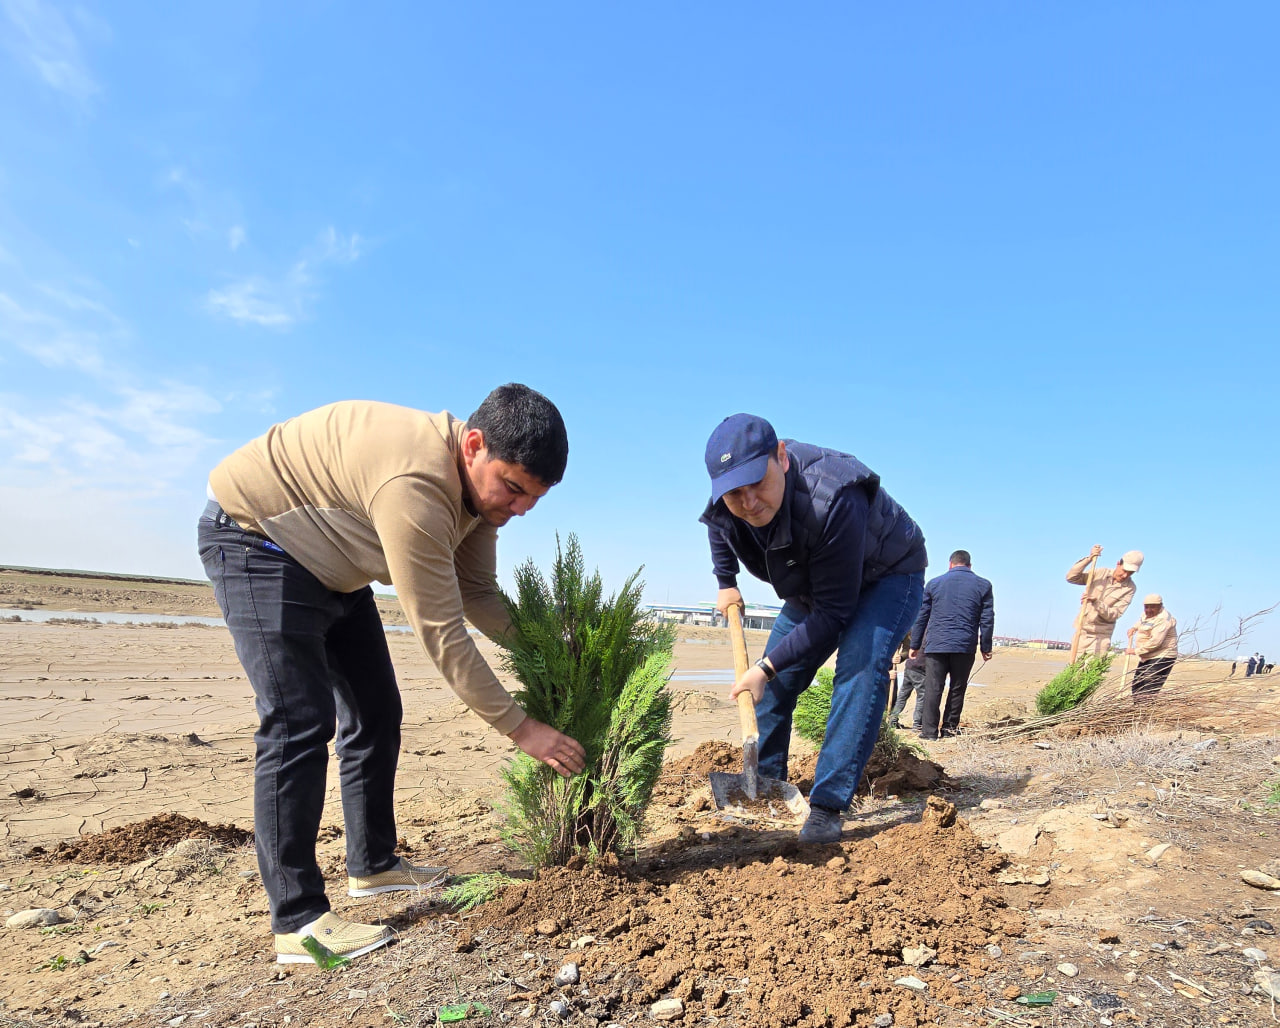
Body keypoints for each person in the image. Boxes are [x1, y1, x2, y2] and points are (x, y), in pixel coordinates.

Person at [198, 386, 586, 964]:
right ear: (474, 445)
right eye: (514, 487)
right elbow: (442, 630)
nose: (522, 507)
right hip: (258, 542)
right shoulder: (416, 485)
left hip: (335, 564)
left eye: (535, 496)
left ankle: (374, 865)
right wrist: (522, 728)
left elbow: (477, 593)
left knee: (376, 711)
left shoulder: (479, 498)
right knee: (298, 721)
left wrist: (551, 647)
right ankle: (299, 924)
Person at [699, 414, 927, 845]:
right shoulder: (730, 496)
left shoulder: (834, 496)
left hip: (887, 574)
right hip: (816, 582)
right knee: (775, 681)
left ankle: (827, 806)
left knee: (859, 668)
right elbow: (718, 524)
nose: (749, 502)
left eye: (757, 484)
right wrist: (726, 582)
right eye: (734, 494)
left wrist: (764, 667)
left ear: (781, 457)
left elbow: (834, 614)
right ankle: (765, 783)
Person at [909, 550, 995, 739]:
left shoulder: (934, 584)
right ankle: (949, 729)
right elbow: (987, 619)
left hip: (936, 645)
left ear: (950, 564)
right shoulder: (984, 585)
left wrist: (914, 645)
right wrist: (986, 647)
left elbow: (921, 616)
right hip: (964, 645)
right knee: (957, 688)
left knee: (933, 688)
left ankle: (929, 732)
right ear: (970, 566)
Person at [1066, 545, 1143, 655]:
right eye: (1124, 570)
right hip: (1081, 632)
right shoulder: (1101, 573)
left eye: (1130, 573)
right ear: (1118, 564)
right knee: (1075, 665)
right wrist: (1090, 558)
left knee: (1093, 665)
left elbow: (1115, 614)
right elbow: (1071, 578)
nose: (1125, 575)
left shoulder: (1130, 588)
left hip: (1101, 636)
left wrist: (1096, 602)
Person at [1125, 594, 1178, 702]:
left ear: (1160, 606)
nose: (1149, 610)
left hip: (1162, 657)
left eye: (1152, 607)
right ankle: (1138, 710)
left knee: (1148, 690)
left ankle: (1145, 711)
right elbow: (1141, 621)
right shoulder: (1146, 615)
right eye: (1146, 607)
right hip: (1148, 656)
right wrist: (1134, 628)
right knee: (1137, 686)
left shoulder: (1163, 620)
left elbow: (1155, 642)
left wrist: (1135, 651)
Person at [888, 645, 927, 733]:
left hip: (909, 667)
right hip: (920, 668)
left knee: (902, 696)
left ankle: (892, 721)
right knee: (922, 697)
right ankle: (917, 725)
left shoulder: (917, 639)